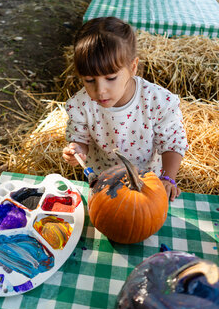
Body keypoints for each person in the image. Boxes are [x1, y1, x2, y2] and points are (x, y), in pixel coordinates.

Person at [62, 17, 188, 201]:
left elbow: (172, 142)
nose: (100, 90)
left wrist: (168, 178)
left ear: (132, 67)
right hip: (102, 180)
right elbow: (81, 139)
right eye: (89, 80)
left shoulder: (157, 101)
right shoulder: (81, 104)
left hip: (146, 181)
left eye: (111, 78)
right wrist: (77, 151)